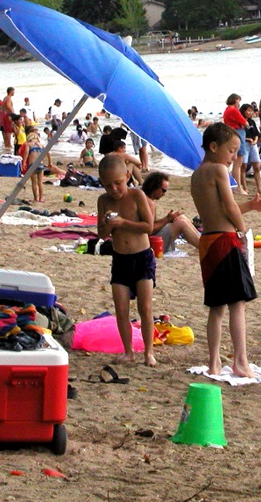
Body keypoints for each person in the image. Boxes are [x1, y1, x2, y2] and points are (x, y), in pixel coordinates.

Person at [190, 123, 261, 377]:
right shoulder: (218, 170)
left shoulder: (197, 174)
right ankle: (240, 361)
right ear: (214, 147)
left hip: (208, 241)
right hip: (226, 241)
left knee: (216, 307)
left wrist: (248, 206)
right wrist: (242, 231)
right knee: (238, 303)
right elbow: (228, 208)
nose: (234, 157)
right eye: (231, 151)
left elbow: (217, 210)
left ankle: (214, 363)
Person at [97, 153, 157, 366]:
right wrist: (108, 225)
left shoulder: (137, 196)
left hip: (142, 258)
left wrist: (123, 223)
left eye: (118, 183)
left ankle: (148, 352)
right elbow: (101, 234)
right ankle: (128, 350)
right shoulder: (103, 201)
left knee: (145, 307)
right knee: (121, 309)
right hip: (120, 259)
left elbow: (148, 227)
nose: (114, 189)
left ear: (128, 176)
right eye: (107, 185)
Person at [143, 171, 201, 251]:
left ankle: (203, 242)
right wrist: (167, 219)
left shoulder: (143, 196)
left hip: (147, 239)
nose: (164, 194)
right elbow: (149, 229)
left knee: (181, 218)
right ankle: (205, 247)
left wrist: (169, 218)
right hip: (148, 243)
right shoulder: (148, 201)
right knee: (181, 223)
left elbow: (150, 224)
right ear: (155, 187)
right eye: (163, 190)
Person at [222, 93, 248, 196]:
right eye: (238, 101)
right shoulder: (233, 110)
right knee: (238, 162)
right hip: (238, 132)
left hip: (230, 133)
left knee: (232, 161)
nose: (239, 103)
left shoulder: (227, 110)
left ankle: (234, 184)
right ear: (235, 100)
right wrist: (244, 124)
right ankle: (238, 187)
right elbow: (245, 123)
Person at [241, 103, 261, 194]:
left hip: (253, 145)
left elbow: (256, 134)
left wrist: (255, 140)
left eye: (251, 111)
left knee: (257, 166)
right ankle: (244, 187)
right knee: (243, 166)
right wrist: (248, 139)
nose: (250, 113)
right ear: (244, 111)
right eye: (248, 111)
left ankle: (259, 188)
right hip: (245, 144)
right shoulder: (241, 122)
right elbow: (238, 134)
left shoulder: (252, 122)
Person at [24, 129, 45, 203]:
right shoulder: (41, 145)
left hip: (32, 164)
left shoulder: (28, 144)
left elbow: (26, 153)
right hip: (41, 164)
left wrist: (23, 163)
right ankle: (41, 198)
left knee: (34, 182)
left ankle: (36, 198)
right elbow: (47, 153)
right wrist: (50, 162)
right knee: (40, 182)